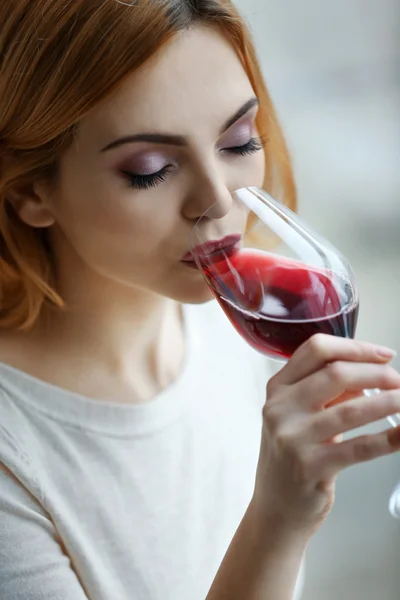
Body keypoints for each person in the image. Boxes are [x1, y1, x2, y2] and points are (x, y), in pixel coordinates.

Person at [0, 1, 399, 599]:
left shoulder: (228, 323)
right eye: (151, 169)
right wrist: (277, 521)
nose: (217, 200)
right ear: (32, 191)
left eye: (239, 141)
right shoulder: (16, 458)